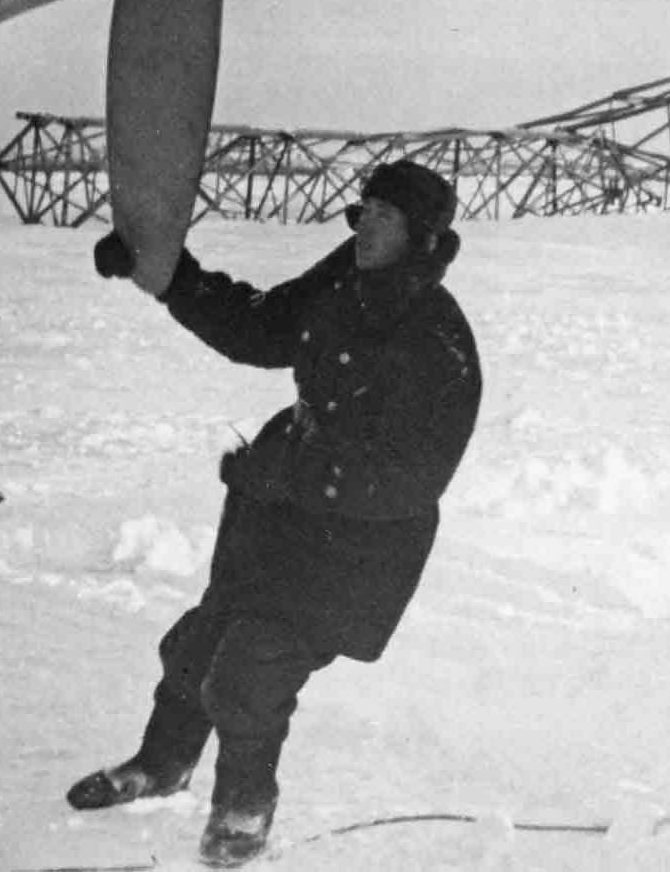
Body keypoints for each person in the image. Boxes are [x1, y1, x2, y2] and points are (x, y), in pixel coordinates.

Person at [69, 159, 480, 869]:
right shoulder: (342, 283)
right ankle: (161, 764)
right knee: (197, 646)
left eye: (385, 214)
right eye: (363, 209)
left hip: (357, 543)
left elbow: (413, 481)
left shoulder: (438, 339)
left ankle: (243, 810)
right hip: (280, 510)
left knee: (250, 673)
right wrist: (167, 273)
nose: (364, 224)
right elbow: (257, 329)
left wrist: (293, 476)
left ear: (421, 234)